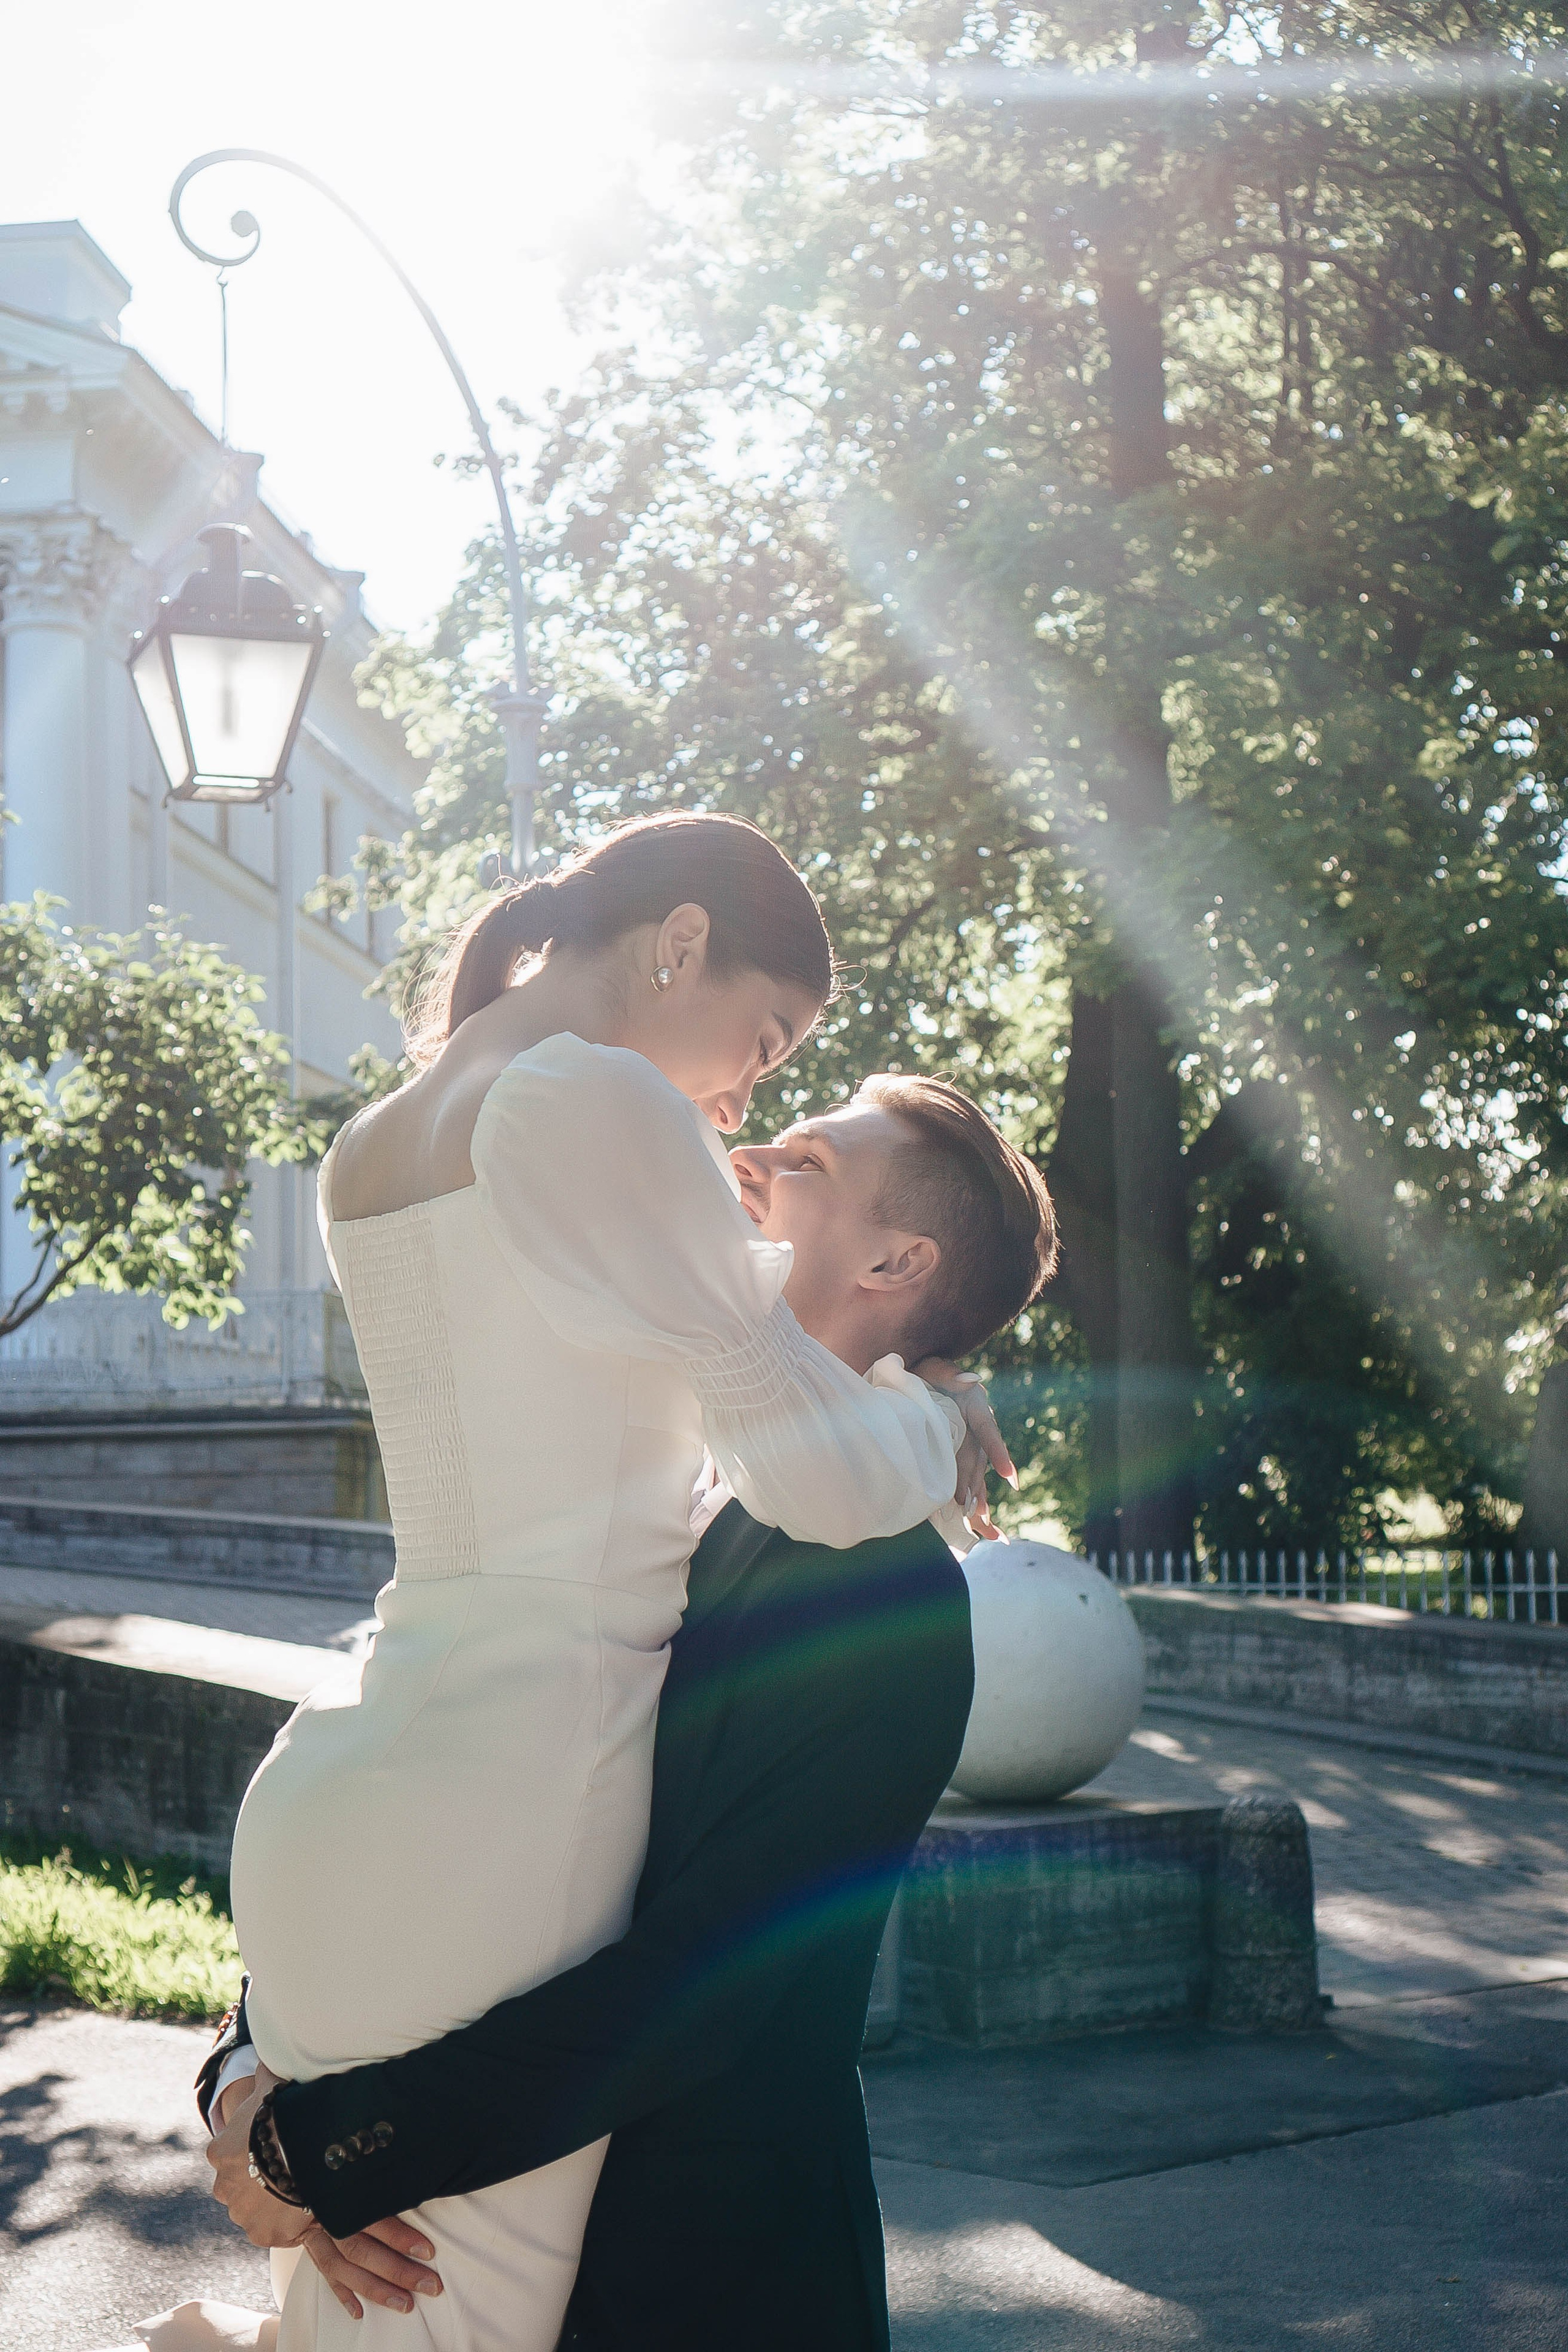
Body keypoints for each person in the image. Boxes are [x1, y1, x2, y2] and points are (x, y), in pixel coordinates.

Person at [142, 811, 979, 2352]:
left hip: (353, 1763)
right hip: (520, 1789)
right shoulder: (593, 1094)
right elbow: (799, 1449)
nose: (747, 1108)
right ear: (680, 943)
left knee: (362, 2323)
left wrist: (287, 2113)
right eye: (764, 1041)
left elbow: (661, 1349)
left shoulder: (379, 1136)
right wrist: (934, 1414)